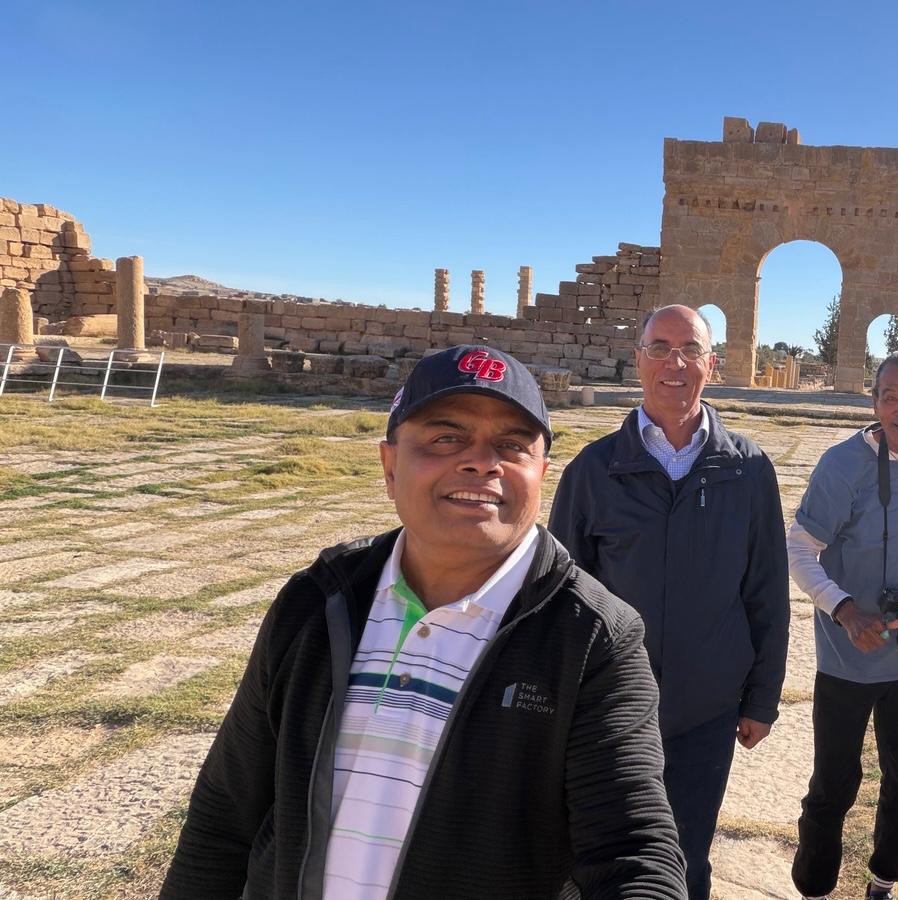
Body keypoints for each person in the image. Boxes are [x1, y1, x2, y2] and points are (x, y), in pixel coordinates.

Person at [162, 344, 686, 899]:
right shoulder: (317, 601)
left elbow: (631, 849)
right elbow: (226, 811)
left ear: (542, 474)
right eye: (446, 437)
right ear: (390, 467)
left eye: (512, 445)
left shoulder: (594, 638)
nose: (482, 462)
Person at [548, 305, 789, 900]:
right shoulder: (593, 470)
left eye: (689, 350)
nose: (674, 363)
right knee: (598, 856)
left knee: (687, 856)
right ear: (638, 361)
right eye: (659, 348)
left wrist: (762, 696)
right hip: (609, 706)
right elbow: (558, 597)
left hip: (705, 710)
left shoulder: (749, 468)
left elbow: (766, 589)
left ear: (711, 363)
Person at [787, 350, 898, 900]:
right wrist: (843, 609)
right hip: (849, 656)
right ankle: (815, 888)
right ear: (874, 402)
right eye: (891, 397)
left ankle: (884, 881)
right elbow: (799, 547)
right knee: (833, 785)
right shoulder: (843, 464)